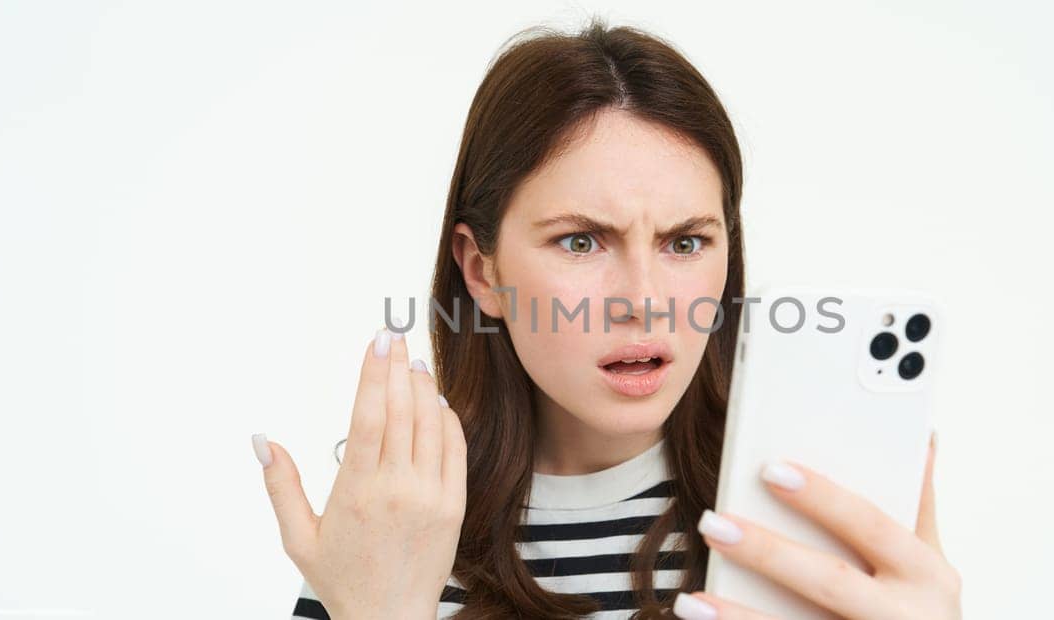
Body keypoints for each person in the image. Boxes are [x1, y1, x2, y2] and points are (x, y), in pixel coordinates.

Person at [252, 19, 961, 619]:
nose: (644, 298)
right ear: (480, 271)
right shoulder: (394, 524)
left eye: (686, 242)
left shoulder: (802, 520)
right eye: (581, 240)